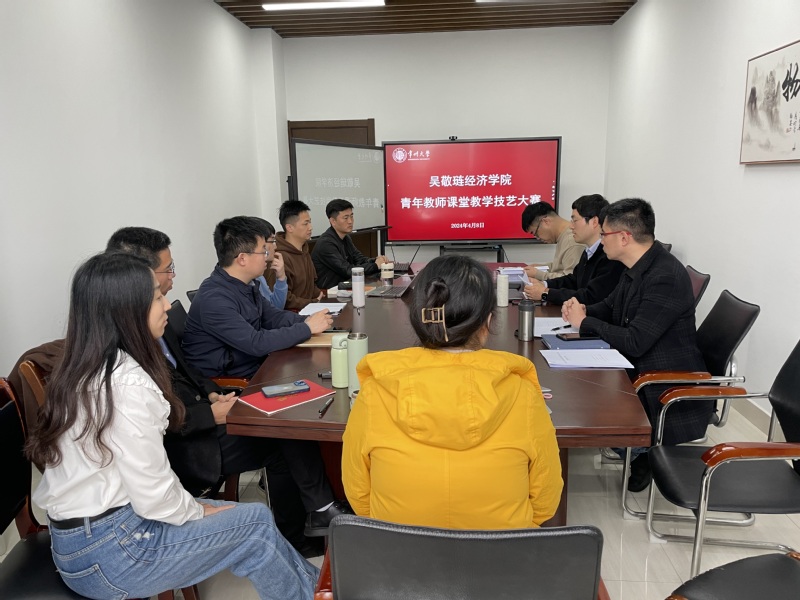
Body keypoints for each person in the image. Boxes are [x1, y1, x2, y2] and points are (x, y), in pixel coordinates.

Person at [27, 252, 318, 599]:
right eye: (156, 298)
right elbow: (155, 497)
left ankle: (320, 589)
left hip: (90, 538)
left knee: (256, 519)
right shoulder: (126, 384)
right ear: (126, 311)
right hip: (111, 551)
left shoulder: (86, 366)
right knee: (253, 525)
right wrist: (193, 509)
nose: (167, 304)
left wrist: (192, 508)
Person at [106, 226, 327, 556]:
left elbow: (188, 370)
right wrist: (209, 414)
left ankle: (313, 518)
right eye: (167, 270)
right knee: (284, 433)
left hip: (200, 412)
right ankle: (312, 520)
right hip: (188, 443)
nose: (171, 285)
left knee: (287, 424)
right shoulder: (126, 350)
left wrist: (210, 394)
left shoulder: (152, 323)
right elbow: (152, 424)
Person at [341, 255, 563, 529]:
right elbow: (545, 502)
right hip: (502, 552)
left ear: (419, 319)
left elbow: (358, 492)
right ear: (487, 322)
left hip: (397, 552)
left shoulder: (375, 391)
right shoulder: (523, 393)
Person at [561, 198, 708, 492]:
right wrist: (585, 310)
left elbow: (636, 341)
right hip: (636, 365)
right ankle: (635, 450)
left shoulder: (664, 276)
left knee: (579, 393)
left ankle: (644, 454)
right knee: (573, 384)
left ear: (624, 237)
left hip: (659, 380)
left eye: (604, 234)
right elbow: (610, 305)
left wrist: (585, 323)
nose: (601, 241)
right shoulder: (637, 266)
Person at [182, 215, 332, 379]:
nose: (267, 256)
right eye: (263, 251)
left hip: (257, 365)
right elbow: (256, 343)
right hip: (234, 381)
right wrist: (307, 328)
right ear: (242, 259)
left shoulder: (245, 284)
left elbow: (273, 317)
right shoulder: (215, 299)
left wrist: (308, 320)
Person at [524, 194, 625, 304]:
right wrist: (544, 284)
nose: (571, 226)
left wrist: (546, 293)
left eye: (575, 220)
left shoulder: (609, 256)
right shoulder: (589, 252)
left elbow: (591, 296)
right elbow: (573, 280)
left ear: (594, 222)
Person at [311, 198, 388, 289]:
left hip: (344, 288)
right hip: (329, 292)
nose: (350, 221)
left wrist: (377, 260)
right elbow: (347, 270)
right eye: (345, 218)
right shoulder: (326, 244)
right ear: (333, 221)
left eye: (351, 216)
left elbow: (360, 259)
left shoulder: (345, 237)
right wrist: (375, 266)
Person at [265, 200, 324, 310]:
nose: (310, 227)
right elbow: (282, 299)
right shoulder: (278, 256)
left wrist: (321, 296)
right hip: (292, 315)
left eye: (310, 222)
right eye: (305, 224)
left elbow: (311, 285)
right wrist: (312, 302)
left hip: (310, 310)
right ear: (289, 228)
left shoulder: (303, 250)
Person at [521, 201, 585, 281]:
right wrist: (541, 267)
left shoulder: (572, 241)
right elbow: (560, 267)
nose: (538, 238)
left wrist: (537, 274)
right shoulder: (563, 237)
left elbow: (570, 280)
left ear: (546, 222)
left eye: (535, 233)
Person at [253, 218, 288, 309]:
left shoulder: (259, 276)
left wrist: (281, 278)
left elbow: (276, 307)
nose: (275, 246)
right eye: (272, 241)